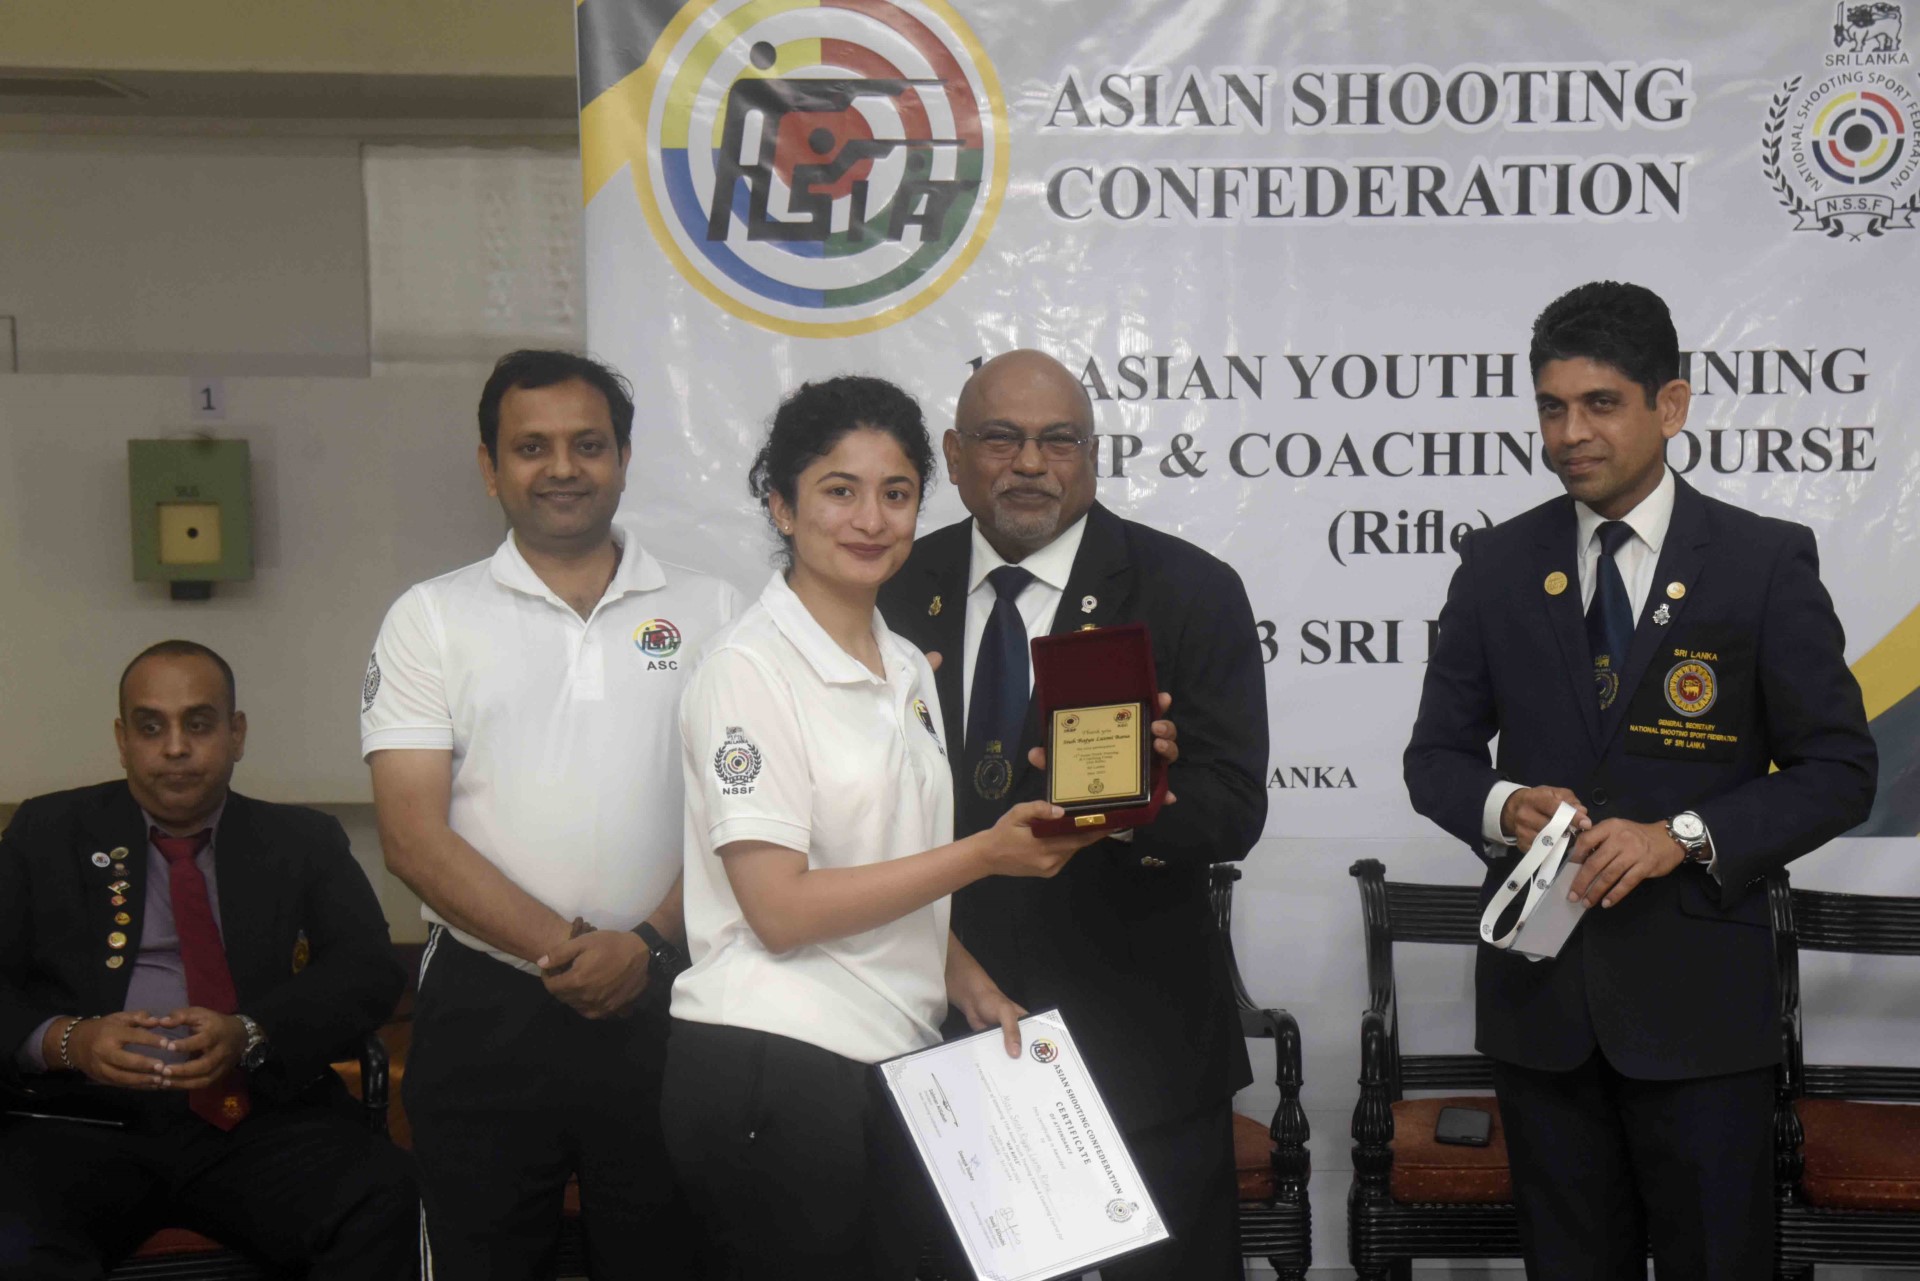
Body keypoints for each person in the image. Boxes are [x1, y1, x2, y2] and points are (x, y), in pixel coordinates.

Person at [1403, 281, 1877, 1280]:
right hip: (1543, 1010)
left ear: (1670, 405)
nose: (1569, 434)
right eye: (1551, 407)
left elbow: (1839, 770)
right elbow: (1434, 760)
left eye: (1600, 404)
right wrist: (1504, 805)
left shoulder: (1760, 564)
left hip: (1702, 1014)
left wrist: (1684, 835)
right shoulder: (1496, 565)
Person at [662, 375, 1114, 1281]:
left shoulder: (906, 663)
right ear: (782, 506)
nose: (871, 519)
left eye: (897, 493)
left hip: (892, 1061)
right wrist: (985, 854)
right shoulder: (748, 669)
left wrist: (971, 984)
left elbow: (889, 869)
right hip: (773, 1065)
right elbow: (780, 910)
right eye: (840, 490)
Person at [877, 350, 1269, 1281]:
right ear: (954, 455)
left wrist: (1133, 806)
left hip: (1141, 1036)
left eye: (1059, 440)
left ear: (1093, 456)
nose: (1030, 463)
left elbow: (1233, 810)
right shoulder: (890, 587)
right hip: (936, 1032)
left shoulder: (1189, 588)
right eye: (1000, 438)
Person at [362, 350, 738, 1279]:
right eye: (532, 447)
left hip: (672, 995)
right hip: (486, 1008)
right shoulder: (429, 618)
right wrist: (572, 950)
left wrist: (643, 945)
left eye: (588, 444)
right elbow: (411, 837)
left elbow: (744, 812)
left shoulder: (717, 609)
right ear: (489, 467)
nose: (562, 467)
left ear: (624, 458)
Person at [0, 640, 413, 1280]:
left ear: (235, 733)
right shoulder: (46, 831)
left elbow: (368, 970)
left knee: (388, 1199)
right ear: (122, 740)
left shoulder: (301, 840)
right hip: (78, 1121)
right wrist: (68, 1041)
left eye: (198, 724)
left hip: (261, 1119)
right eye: (150, 727)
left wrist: (251, 1032)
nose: (175, 748)